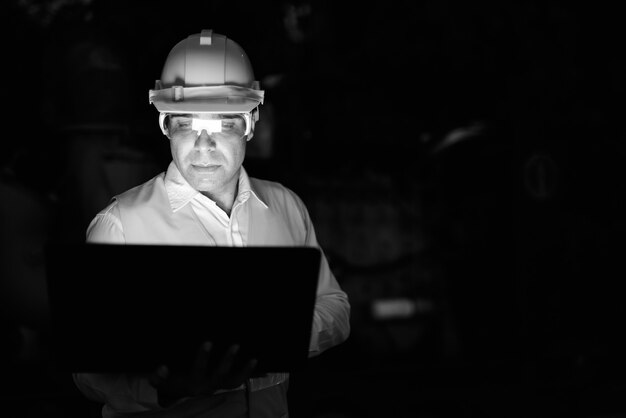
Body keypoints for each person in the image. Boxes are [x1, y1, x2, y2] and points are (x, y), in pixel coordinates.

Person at [72, 29, 351, 418]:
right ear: (165, 125)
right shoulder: (121, 226)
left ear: (251, 122)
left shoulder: (285, 206)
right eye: (186, 125)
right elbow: (89, 373)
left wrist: (274, 336)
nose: (203, 147)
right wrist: (166, 390)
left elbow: (335, 306)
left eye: (222, 125)